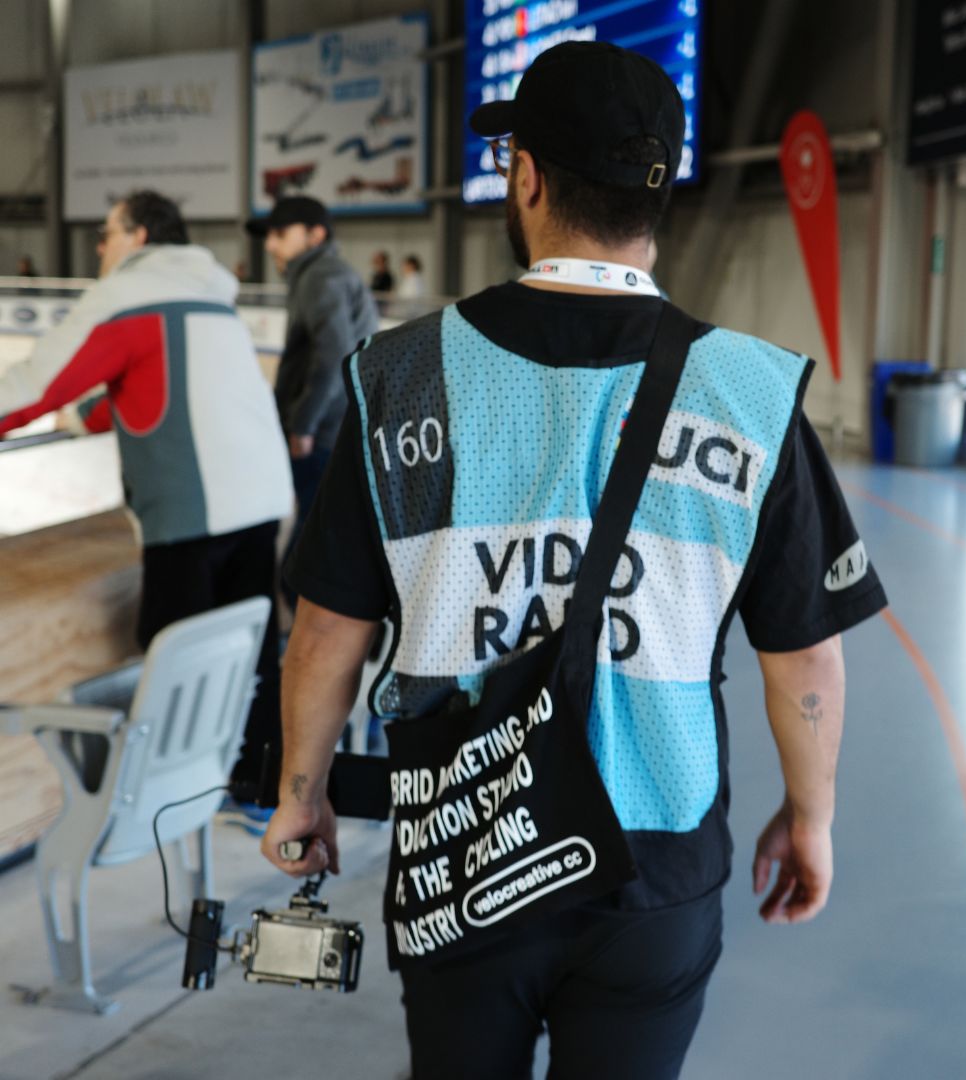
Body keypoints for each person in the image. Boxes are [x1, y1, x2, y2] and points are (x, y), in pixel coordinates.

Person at [261, 41, 887, 1080]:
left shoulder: (401, 377)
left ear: (528, 176)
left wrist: (301, 792)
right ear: (661, 193)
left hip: (464, 848)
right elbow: (805, 658)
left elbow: (327, 630)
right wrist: (810, 817)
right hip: (659, 852)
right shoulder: (751, 392)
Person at [0, 190, 293, 803]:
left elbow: (35, 385)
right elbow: (175, 386)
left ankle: (169, 797)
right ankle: (260, 784)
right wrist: (93, 418)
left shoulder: (128, 294)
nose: (100, 247)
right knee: (250, 652)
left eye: (107, 234)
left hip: (194, 510)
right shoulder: (209, 295)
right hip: (258, 497)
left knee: (172, 651)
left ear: (138, 238)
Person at [245, 196, 379, 609]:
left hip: (321, 431)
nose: (271, 245)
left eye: (280, 234)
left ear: (315, 234)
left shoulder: (320, 276)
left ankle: (317, 631)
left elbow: (334, 354)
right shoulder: (320, 274)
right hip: (330, 426)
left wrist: (303, 424)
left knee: (307, 550)